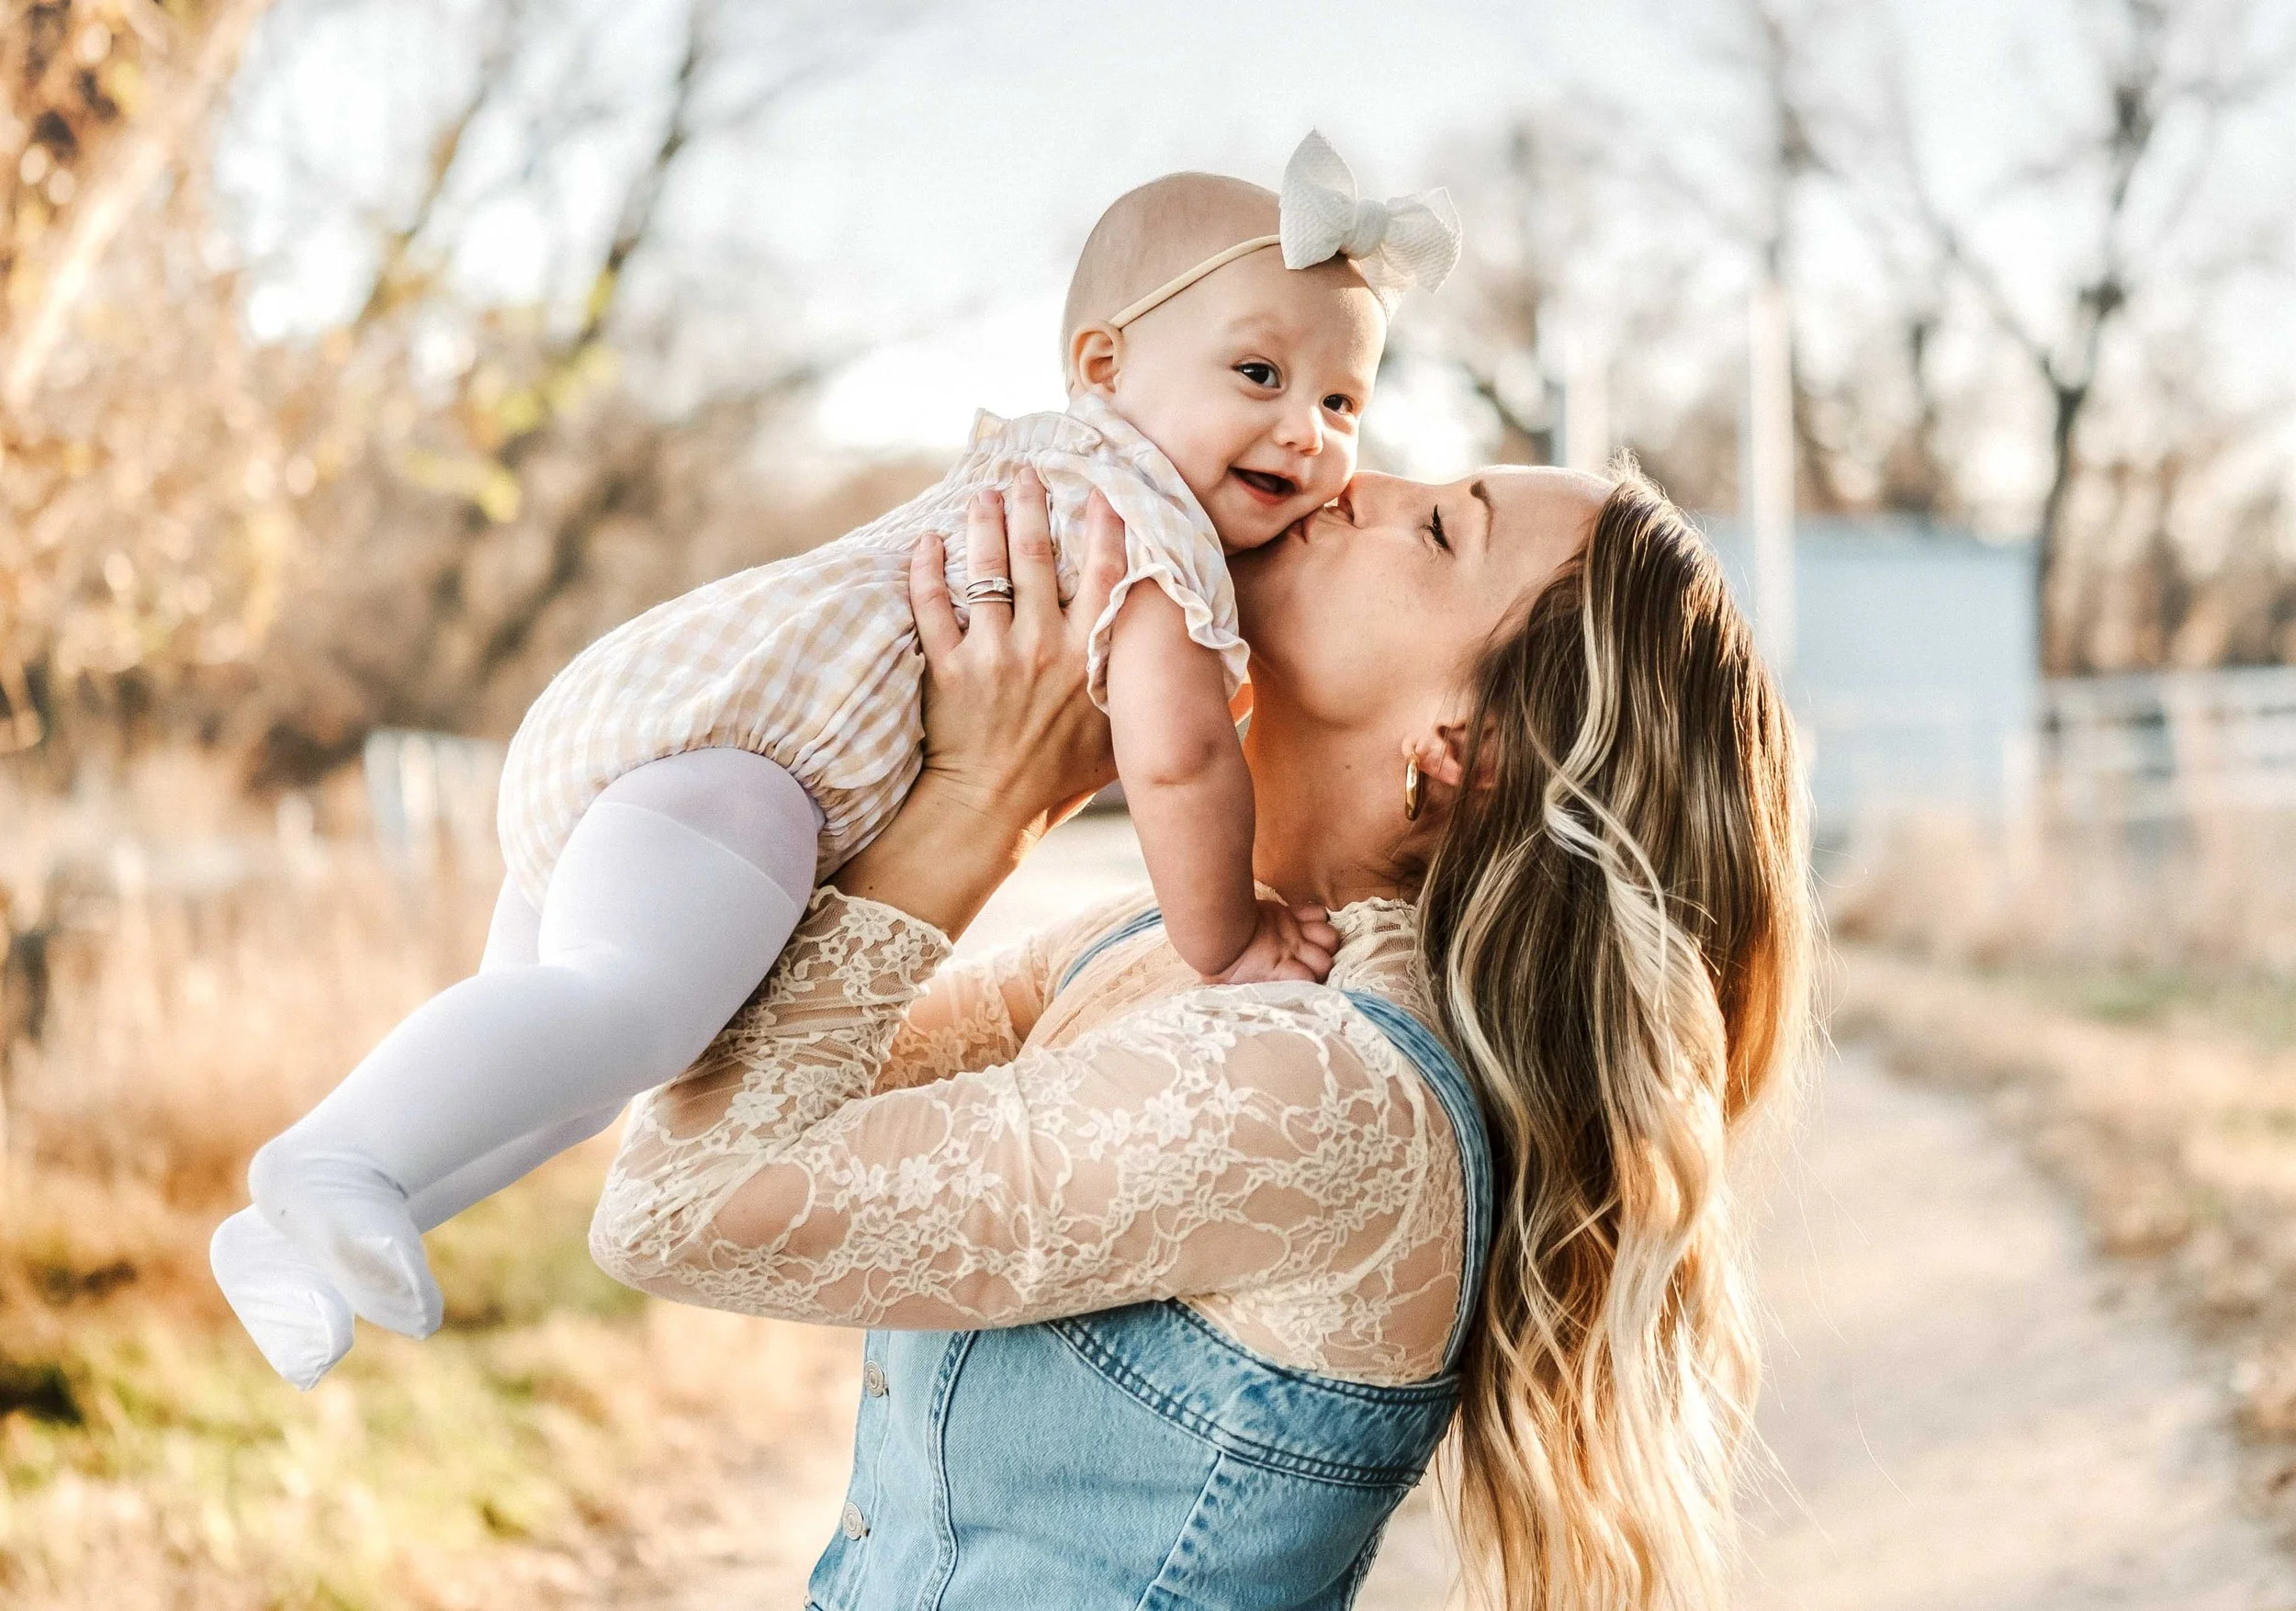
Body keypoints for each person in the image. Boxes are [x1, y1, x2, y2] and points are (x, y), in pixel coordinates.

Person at [209, 132, 1463, 1389]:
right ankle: (337, 1163)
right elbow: (1182, 761)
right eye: (1259, 373)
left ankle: (298, 1227)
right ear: (1105, 363)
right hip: (734, 779)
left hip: (646, 722)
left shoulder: (1063, 466)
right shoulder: (1150, 533)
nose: (1308, 436)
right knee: (628, 1015)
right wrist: (1232, 936)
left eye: (1343, 403)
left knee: (575, 1069)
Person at [590, 462, 1814, 1609]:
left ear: (1463, 751)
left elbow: (676, 1204)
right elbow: (718, 1088)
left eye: (1440, 527)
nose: (1358, 481)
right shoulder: (1176, 936)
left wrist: (986, 794)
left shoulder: (1328, 1086)